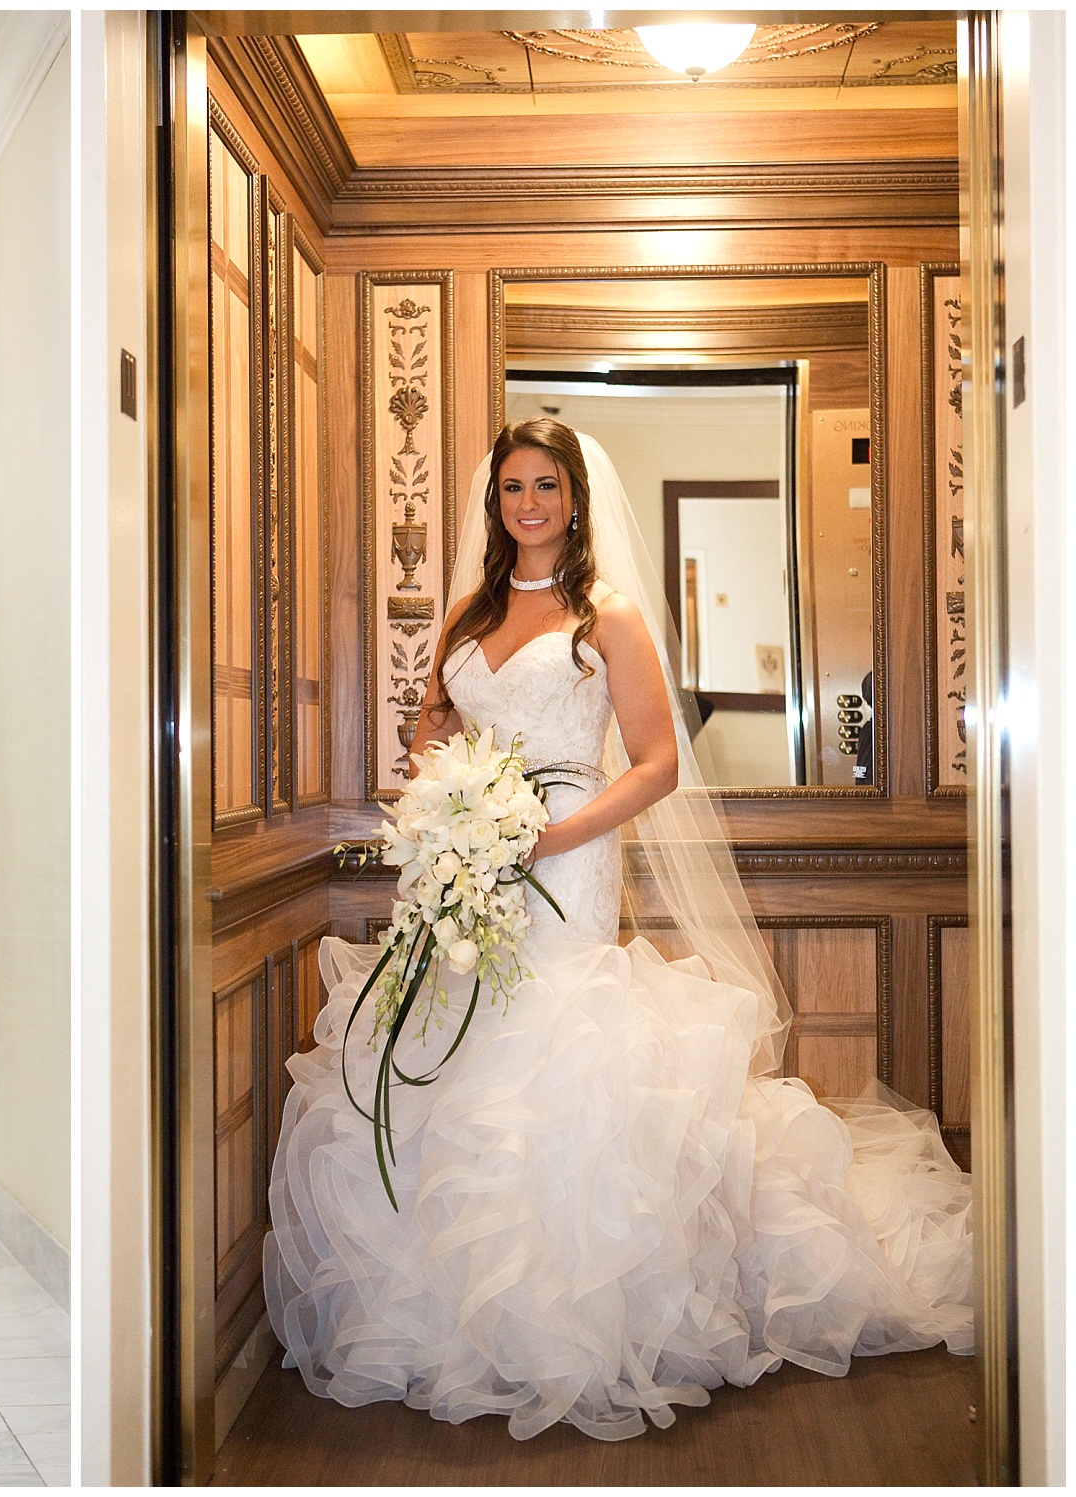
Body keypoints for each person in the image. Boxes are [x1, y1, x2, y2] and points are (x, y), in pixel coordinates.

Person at [264, 419, 973, 1442]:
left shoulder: (607, 617)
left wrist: (547, 833)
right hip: (470, 855)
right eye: (509, 487)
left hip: (569, 849)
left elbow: (652, 765)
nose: (525, 504)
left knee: (558, 1035)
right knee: (459, 1032)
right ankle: (459, 1307)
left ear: (573, 497)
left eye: (543, 485)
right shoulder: (469, 612)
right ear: (493, 500)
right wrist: (442, 784)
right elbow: (434, 722)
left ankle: (583, 1311)